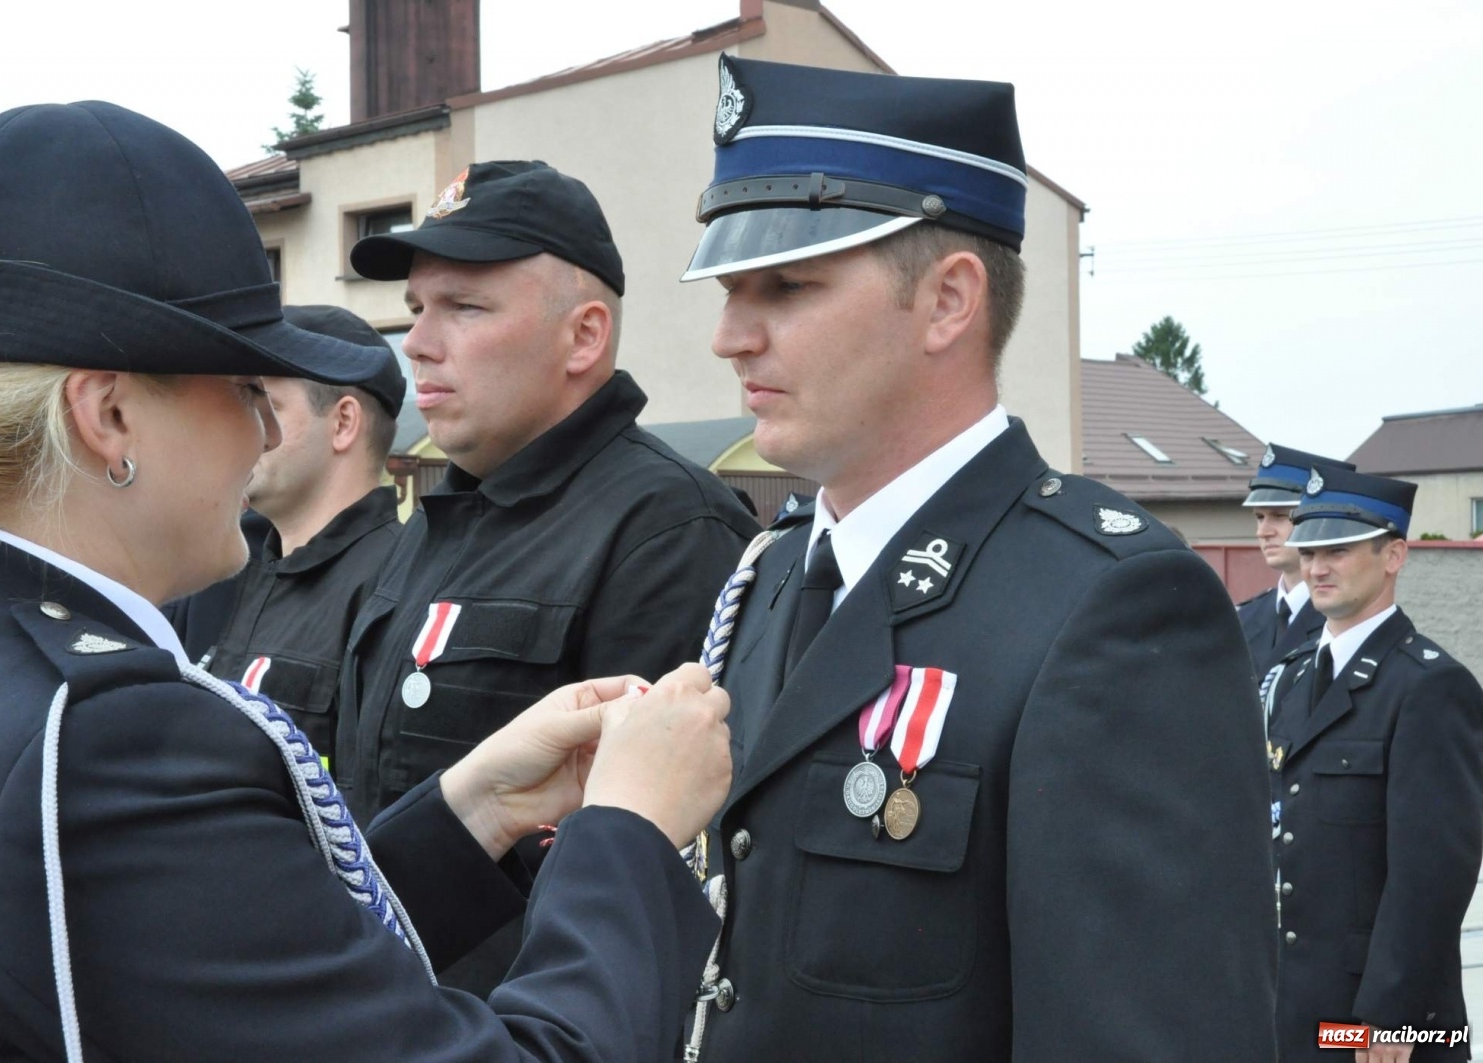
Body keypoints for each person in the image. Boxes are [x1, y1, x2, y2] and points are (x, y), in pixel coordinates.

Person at [0, 101, 732, 1062]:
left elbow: (222, 958)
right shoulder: (106, 738)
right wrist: (629, 830)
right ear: (108, 415)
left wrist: (471, 815)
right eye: (244, 388)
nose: (263, 431)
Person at [674, 56, 1277, 1063]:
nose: (730, 336)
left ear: (949, 300)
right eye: (732, 288)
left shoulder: (1110, 610)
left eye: (785, 284)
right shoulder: (771, 573)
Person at [342, 160, 761, 992]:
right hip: (382, 1008)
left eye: (465, 307)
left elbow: (651, 859)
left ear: (584, 335)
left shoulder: (667, 530)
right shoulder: (430, 524)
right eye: (417, 308)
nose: (419, 341)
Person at [1265, 466, 1483, 1063]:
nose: (1316, 567)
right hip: (1291, 1000)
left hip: (1375, 1016)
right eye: (1310, 551)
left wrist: (1393, 1016)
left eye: (1337, 549)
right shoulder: (1293, 676)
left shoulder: (1431, 687)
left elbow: (1431, 876)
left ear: (1394, 556)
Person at [199, 304, 407, 763]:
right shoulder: (228, 571)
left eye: (265, 404)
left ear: (343, 423)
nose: (247, 430)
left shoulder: (398, 588)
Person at [1236, 444, 1354, 677]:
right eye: (1260, 517)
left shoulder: (1346, 616)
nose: (1263, 531)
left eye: (1280, 516)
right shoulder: (1244, 617)